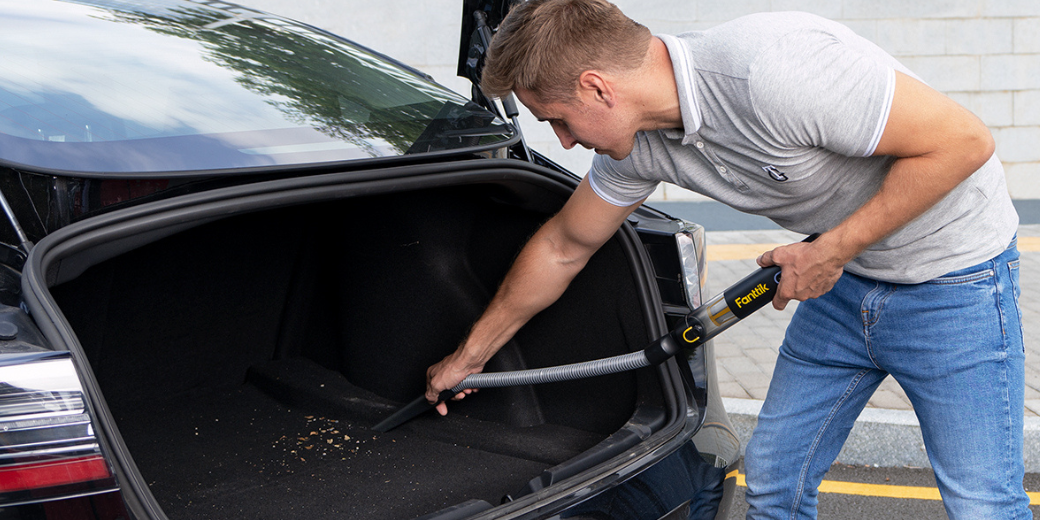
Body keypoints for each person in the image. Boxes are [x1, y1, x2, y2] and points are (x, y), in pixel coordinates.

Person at [425, 1, 1029, 518]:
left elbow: (964, 142)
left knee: (980, 502)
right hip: (841, 286)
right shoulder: (640, 149)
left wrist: (832, 249)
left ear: (597, 86)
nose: (562, 140)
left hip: (955, 283)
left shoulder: (774, 71)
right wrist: (468, 358)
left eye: (557, 119)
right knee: (773, 481)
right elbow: (564, 246)